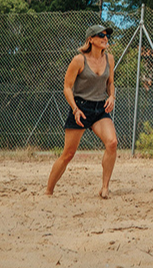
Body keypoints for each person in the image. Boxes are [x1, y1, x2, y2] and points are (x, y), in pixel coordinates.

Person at [46, 23, 118, 198]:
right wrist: (75, 109)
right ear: (91, 39)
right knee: (68, 154)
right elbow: (67, 87)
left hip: (100, 108)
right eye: (101, 35)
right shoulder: (79, 60)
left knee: (112, 143)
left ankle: (105, 188)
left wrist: (112, 97)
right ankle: (48, 191)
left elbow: (110, 83)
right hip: (81, 108)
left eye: (106, 35)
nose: (105, 38)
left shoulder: (109, 59)